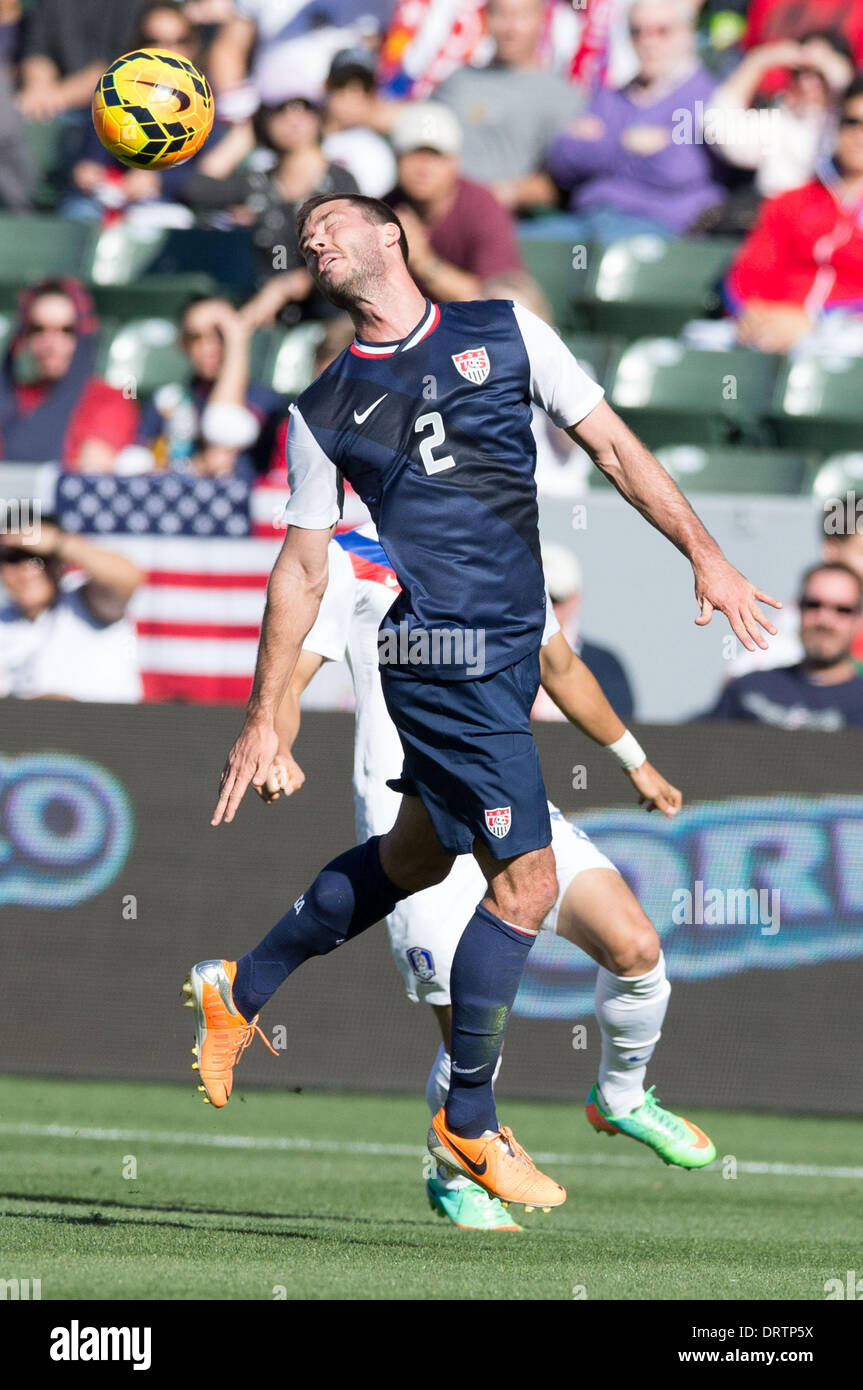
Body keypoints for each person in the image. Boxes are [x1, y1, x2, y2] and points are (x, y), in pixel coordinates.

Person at [184, 190, 779, 1213]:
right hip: (441, 655)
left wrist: (707, 558)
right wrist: (262, 713)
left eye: (333, 220)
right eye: (307, 234)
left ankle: (237, 990)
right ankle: (466, 1124)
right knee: (527, 886)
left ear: (392, 234)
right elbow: (299, 566)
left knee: (413, 858)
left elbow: (615, 448)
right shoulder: (323, 405)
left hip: (506, 649)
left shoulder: (503, 330)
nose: (314, 238)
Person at [255, 519, 713, 1230]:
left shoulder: (496, 536)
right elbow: (292, 677)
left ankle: (620, 1097)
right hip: (407, 810)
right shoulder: (347, 555)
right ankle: (452, 1169)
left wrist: (635, 761)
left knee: (637, 949)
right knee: (473, 1034)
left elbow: (557, 666)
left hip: (509, 799)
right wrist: (276, 747)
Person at [546, 0, 728, 241]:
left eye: (662, 31)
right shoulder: (611, 96)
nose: (648, 42)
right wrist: (628, 143)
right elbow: (561, 159)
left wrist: (602, 142)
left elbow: (679, 170)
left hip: (660, 228)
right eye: (637, 32)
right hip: (587, 220)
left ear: (688, 33)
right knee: (516, 246)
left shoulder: (710, 97)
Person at [183, 92, 359, 326]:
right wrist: (243, 138)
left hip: (331, 316)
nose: (292, 118)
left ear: (319, 116)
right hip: (270, 319)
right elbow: (196, 190)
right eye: (280, 109)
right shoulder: (258, 183)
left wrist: (285, 288)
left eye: (304, 107)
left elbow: (353, 254)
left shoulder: (340, 182)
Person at [724, 76, 863, 356]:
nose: (859, 135)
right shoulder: (791, 200)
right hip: (771, 327)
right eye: (852, 122)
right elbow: (748, 274)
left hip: (847, 333)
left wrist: (814, 320)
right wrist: (754, 314)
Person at [61, 2, 211, 227]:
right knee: (76, 214)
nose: (166, 50)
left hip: (166, 204)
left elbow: (208, 170)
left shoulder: (202, 98)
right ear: (138, 43)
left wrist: (159, 180)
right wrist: (90, 169)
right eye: (154, 41)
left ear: (193, 45)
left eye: (179, 41)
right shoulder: (116, 88)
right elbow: (93, 153)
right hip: (107, 199)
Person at [433, 0, 584, 215]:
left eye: (521, 16)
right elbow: (416, 127)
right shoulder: (458, 81)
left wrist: (507, 194)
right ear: (486, 18)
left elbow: (564, 182)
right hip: (441, 214)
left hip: (513, 223)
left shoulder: (565, 97)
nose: (511, 28)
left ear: (541, 19)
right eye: (501, 15)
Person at [387, 102, 524, 302]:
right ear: (397, 160)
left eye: (435, 156)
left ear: (455, 162)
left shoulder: (483, 207)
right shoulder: (384, 210)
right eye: (414, 155)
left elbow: (495, 302)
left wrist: (423, 261)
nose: (424, 168)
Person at [137, 295, 285, 479]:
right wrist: (197, 465)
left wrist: (237, 339)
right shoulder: (167, 399)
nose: (208, 347)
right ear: (182, 343)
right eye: (195, 337)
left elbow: (224, 430)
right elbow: (142, 466)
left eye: (220, 335)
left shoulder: (265, 399)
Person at [0, 515, 144, 702]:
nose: (27, 570)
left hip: (104, 728)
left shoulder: (85, 601)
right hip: (28, 729)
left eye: (40, 558)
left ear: (60, 563)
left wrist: (58, 542)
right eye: (14, 558)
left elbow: (128, 578)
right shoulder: (4, 623)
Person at [0, 279, 138, 469]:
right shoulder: (11, 398)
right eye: (37, 329)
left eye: (66, 330)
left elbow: (90, 473)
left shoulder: (107, 400)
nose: (50, 343)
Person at [704, 562, 863, 728]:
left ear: (859, 619)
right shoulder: (748, 689)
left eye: (843, 610)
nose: (825, 620)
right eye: (813, 605)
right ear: (798, 609)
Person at [705, 32, 854, 203]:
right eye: (800, 72)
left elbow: (853, 101)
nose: (807, 83)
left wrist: (835, 71)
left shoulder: (848, 123)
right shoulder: (783, 121)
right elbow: (719, 131)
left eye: (818, 74)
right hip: (777, 218)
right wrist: (758, 61)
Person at [532, 543, 635, 720]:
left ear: (575, 599)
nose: (546, 610)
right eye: (536, 600)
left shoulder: (604, 665)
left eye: (554, 599)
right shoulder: (496, 660)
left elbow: (619, 725)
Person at [16, 0, 147, 121]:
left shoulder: (133, 5)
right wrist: (38, 88)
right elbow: (38, 50)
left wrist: (57, 97)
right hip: (56, 107)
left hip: (112, 113)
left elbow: (117, 66)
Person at [321, 47, 397, 198]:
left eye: (361, 89)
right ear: (326, 86)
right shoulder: (300, 134)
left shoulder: (376, 150)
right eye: (341, 86)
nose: (350, 98)